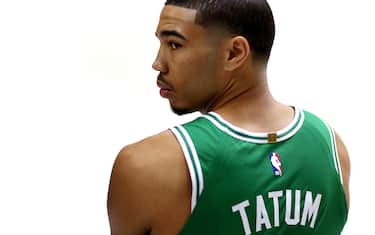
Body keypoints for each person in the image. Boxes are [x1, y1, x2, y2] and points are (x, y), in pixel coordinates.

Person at [107, 0, 350, 234]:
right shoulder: (331, 148)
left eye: (174, 45)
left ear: (234, 53)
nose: (158, 63)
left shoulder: (147, 167)